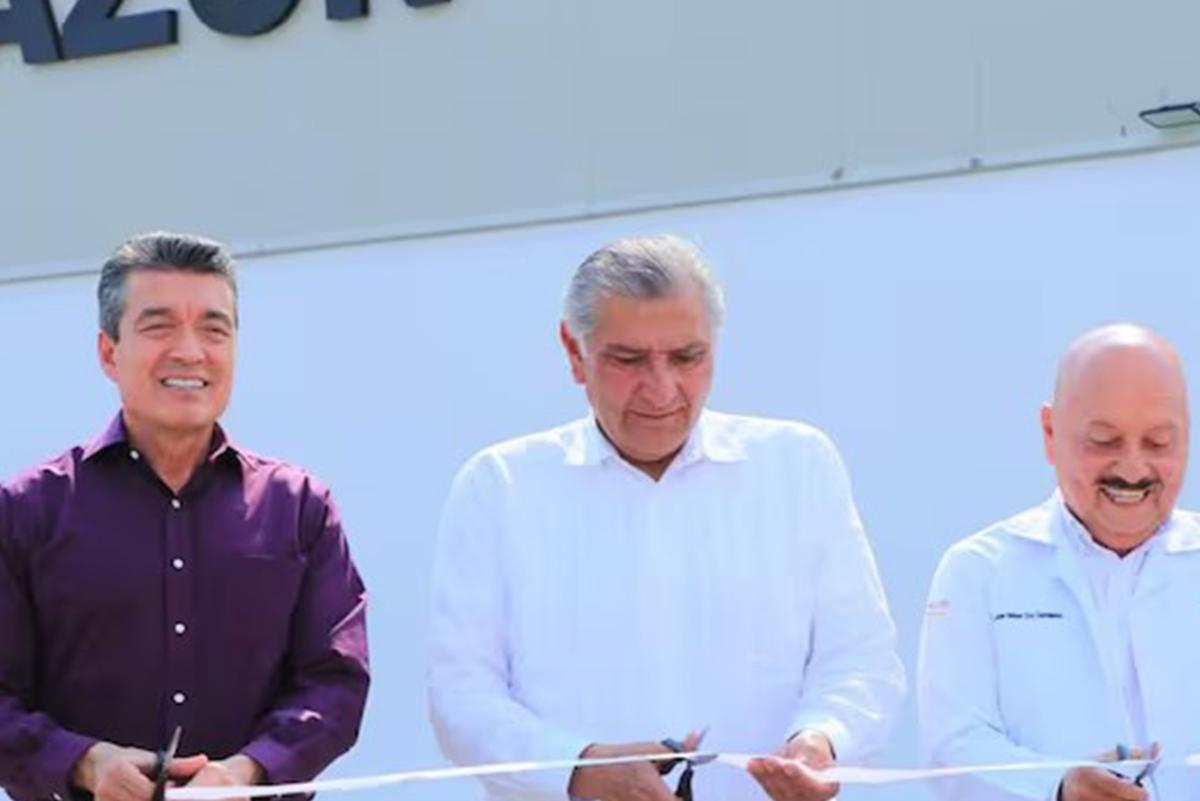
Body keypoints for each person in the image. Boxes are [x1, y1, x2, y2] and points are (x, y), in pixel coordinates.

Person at [428, 235, 904, 801]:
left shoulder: (797, 465)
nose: (661, 389)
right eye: (628, 360)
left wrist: (822, 740)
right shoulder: (500, 487)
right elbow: (461, 698)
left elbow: (861, 661)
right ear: (574, 352)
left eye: (686, 357)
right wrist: (577, 767)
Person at [0, 232, 370, 801]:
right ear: (108, 352)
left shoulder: (299, 508)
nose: (190, 351)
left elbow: (335, 684)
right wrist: (85, 763)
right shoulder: (27, 510)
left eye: (214, 329)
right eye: (159, 326)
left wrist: (248, 772)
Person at [919, 323, 1198, 801]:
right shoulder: (980, 572)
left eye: (1158, 443)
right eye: (1104, 441)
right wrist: (1057, 787)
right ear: (1050, 433)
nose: (1132, 469)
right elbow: (953, 751)